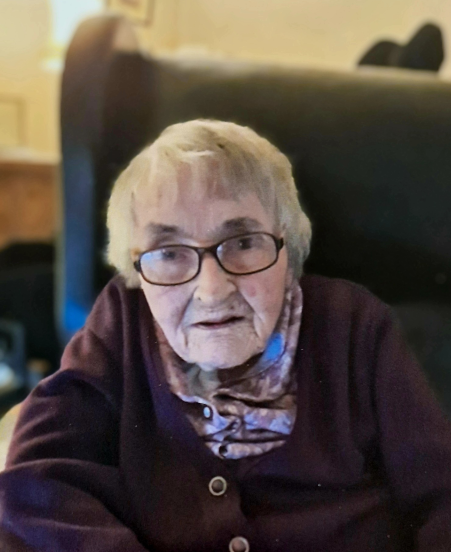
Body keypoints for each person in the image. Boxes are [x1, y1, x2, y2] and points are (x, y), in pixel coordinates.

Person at [0, 119, 450, 552]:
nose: (212, 290)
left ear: (287, 244)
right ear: (133, 262)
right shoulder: (123, 319)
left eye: (243, 243)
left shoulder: (354, 324)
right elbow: (35, 481)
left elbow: (441, 493)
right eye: (169, 253)